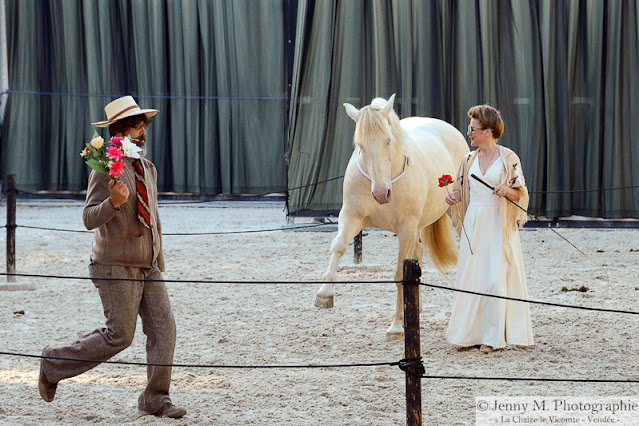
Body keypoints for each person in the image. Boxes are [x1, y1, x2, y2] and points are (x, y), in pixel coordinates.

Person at [38, 96, 186, 418]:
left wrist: (159, 261)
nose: (143, 129)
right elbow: (89, 217)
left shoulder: (148, 168)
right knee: (120, 336)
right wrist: (114, 203)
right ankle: (53, 363)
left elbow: (154, 218)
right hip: (114, 265)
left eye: (144, 123)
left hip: (149, 266)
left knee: (165, 329)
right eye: (137, 124)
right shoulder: (105, 166)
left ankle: (155, 398)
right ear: (120, 130)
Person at [444, 104, 533, 353]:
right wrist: (451, 197)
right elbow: (459, 190)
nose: (469, 133)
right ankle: (469, 334)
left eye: (473, 129)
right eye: (469, 128)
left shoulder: (509, 158)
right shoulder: (467, 160)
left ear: (489, 131)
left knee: (494, 279)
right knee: (472, 278)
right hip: (474, 222)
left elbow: (521, 192)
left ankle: (493, 337)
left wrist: (507, 190)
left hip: (497, 222)